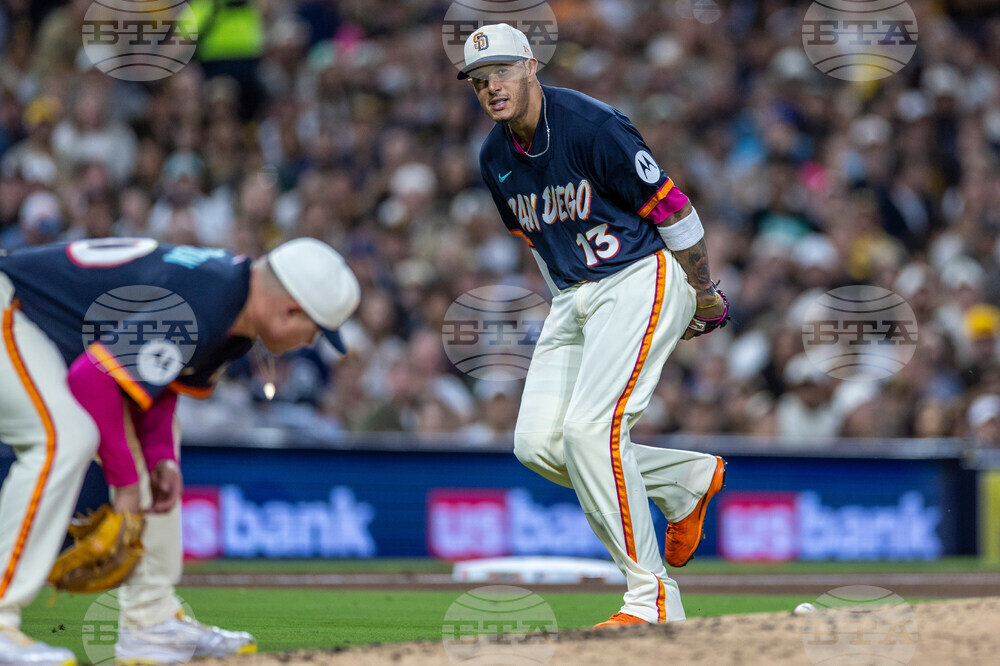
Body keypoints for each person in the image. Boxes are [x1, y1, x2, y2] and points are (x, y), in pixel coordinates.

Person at [459, 24, 729, 627]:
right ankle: (684, 480)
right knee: (538, 445)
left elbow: (674, 209)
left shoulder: (591, 124)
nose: (491, 86)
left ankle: (651, 600)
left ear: (531, 66)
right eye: (478, 80)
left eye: (501, 71)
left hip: (639, 273)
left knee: (591, 431)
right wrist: (565, 301)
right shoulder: (494, 159)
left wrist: (703, 292)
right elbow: (539, 242)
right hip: (574, 295)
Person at [0, 237, 360, 664]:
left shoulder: (231, 303)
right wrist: (126, 484)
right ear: (290, 311)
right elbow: (91, 381)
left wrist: (160, 459)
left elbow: (155, 385)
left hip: (41, 328)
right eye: (315, 330)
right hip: (12, 304)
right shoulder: (209, 302)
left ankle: (151, 625)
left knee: (153, 456)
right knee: (65, 437)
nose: (311, 341)